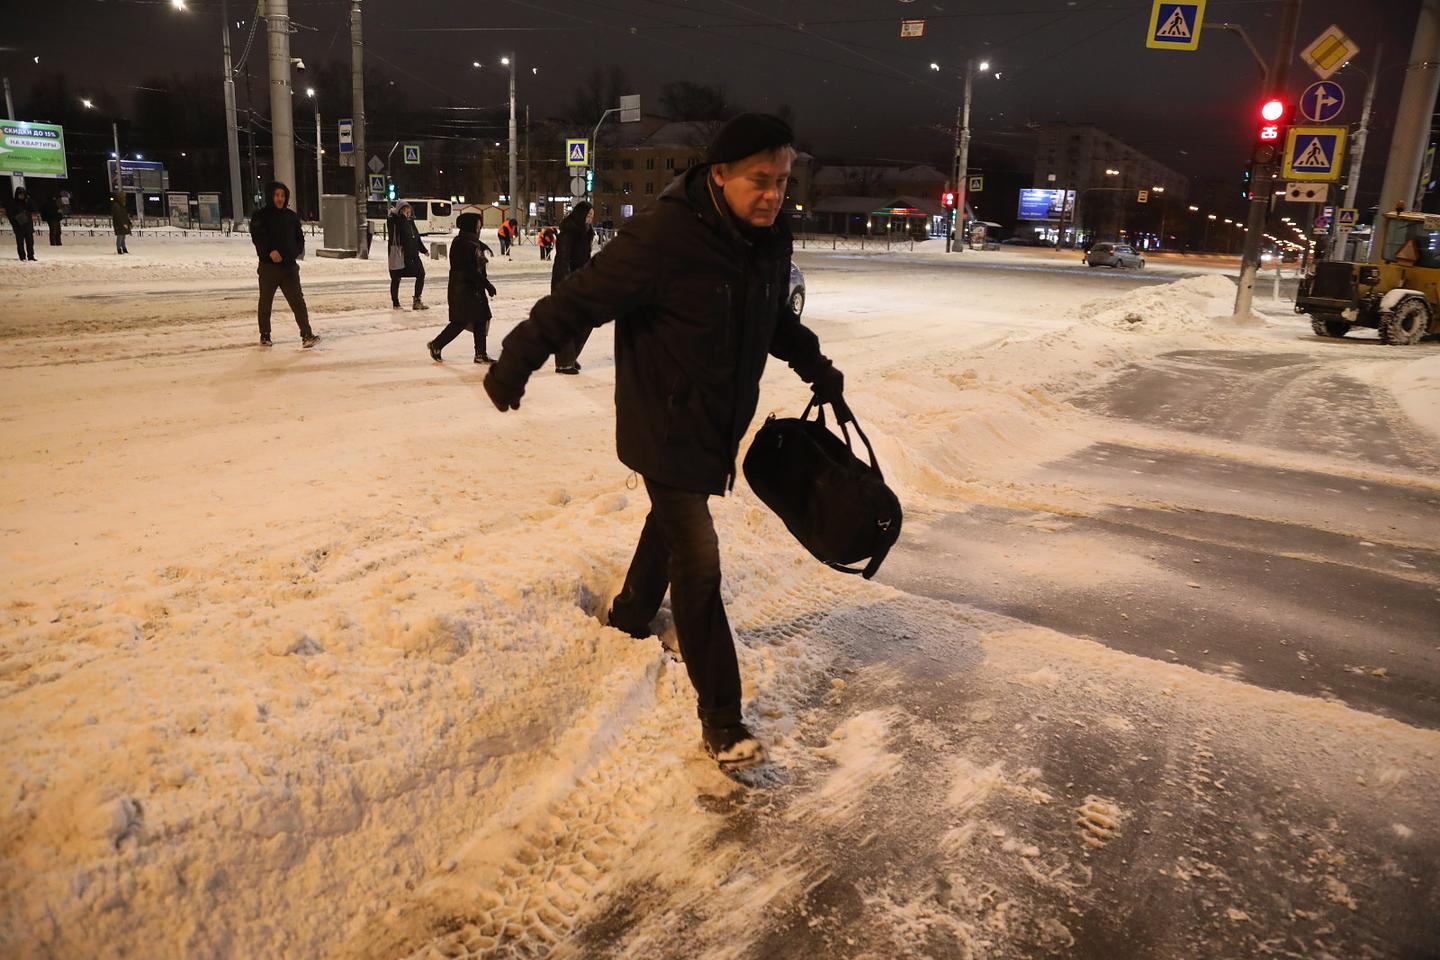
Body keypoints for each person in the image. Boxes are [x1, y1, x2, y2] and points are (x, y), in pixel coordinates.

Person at [482, 114, 847, 772]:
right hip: (664, 422)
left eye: (783, 182)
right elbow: (578, 299)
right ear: (720, 175)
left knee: (672, 528)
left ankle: (630, 615)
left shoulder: (767, 237)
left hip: (716, 425)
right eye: (759, 181)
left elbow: (772, 320)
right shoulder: (663, 237)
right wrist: (516, 361)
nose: (772, 195)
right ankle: (723, 719)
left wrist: (818, 367)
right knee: (698, 564)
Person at [249, 181, 319, 348]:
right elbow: (258, 237)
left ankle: (306, 334)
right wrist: (269, 252)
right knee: (265, 302)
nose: (280, 198)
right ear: (271, 196)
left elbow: (299, 239)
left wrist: (294, 253)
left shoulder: (291, 216)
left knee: (298, 301)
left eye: (282, 195)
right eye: (277, 195)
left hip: (289, 268)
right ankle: (265, 335)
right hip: (268, 267)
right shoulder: (261, 215)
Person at [427, 211, 498, 364]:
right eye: (477, 225)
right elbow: (470, 269)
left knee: (481, 318)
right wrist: (487, 285)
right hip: (464, 289)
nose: (479, 228)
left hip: (470, 288)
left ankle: (480, 354)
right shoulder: (465, 244)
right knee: (461, 321)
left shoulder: (467, 241)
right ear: (470, 226)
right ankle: (436, 345)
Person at [550, 201, 596, 374]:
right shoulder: (568, 233)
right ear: (580, 215)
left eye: (592, 215)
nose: (590, 218)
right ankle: (563, 363)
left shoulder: (587, 232)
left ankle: (570, 357)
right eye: (588, 215)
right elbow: (563, 260)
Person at [388, 202, 429, 310]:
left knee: (421, 274)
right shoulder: (394, 220)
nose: (408, 211)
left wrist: (423, 250)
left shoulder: (410, 221)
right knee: (396, 277)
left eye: (409, 209)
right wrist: (402, 217)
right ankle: (395, 302)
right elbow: (398, 231)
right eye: (405, 209)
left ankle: (417, 300)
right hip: (399, 255)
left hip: (413, 255)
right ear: (400, 210)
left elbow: (416, 237)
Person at [5, 187, 37, 261]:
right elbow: (10, 214)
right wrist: (17, 218)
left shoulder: (28, 201)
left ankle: (31, 256)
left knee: (30, 242)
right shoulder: (12, 202)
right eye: (20, 194)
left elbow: (34, 209)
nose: (21, 195)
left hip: (28, 225)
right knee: (20, 243)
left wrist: (27, 212)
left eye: (23, 194)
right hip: (18, 226)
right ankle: (22, 256)